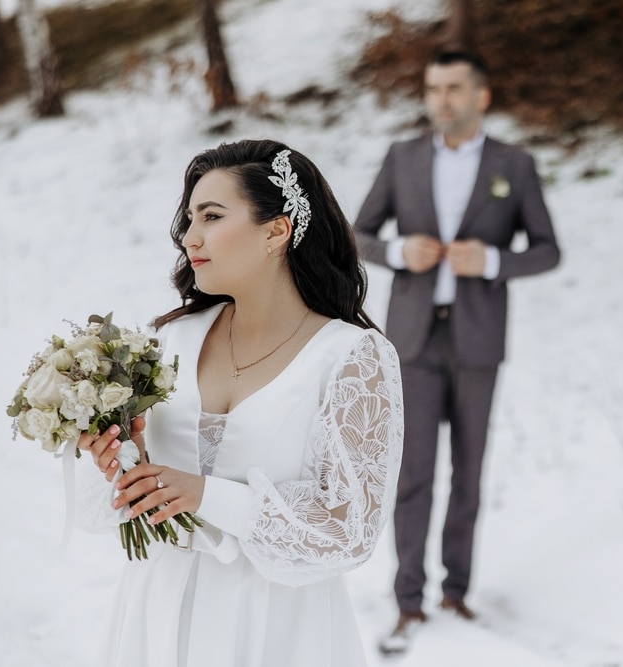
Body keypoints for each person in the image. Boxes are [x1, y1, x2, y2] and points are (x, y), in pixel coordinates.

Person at [74, 139, 404, 667]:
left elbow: (349, 530)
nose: (189, 236)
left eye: (210, 215)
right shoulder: (168, 341)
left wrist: (210, 496)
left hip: (276, 626)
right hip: (156, 612)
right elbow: (109, 507)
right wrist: (120, 457)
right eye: (188, 219)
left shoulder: (352, 357)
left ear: (276, 230)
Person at [353, 51, 561, 653]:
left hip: (477, 338)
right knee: (413, 474)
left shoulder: (513, 166)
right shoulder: (403, 158)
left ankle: (458, 592)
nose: (440, 99)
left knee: (468, 472)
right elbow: (357, 234)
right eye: (432, 88)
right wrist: (397, 252)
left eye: (453, 88)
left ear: (481, 96)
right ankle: (408, 602)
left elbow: (547, 249)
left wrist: (493, 260)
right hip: (412, 339)